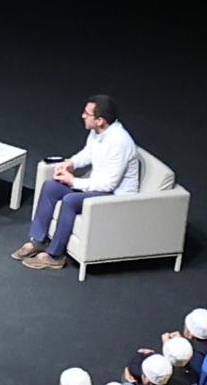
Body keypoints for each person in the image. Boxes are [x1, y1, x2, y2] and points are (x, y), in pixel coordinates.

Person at [15, 98, 142, 267]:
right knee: (51, 186)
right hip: (98, 185)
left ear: (100, 120)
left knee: (70, 201)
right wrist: (71, 163)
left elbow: (109, 185)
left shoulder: (119, 143)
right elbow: (88, 154)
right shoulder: (98, 132)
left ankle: (55, 256)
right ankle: (38, 240)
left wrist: (73, 181)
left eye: (87, 114)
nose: (83, 116)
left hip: (114, 197)